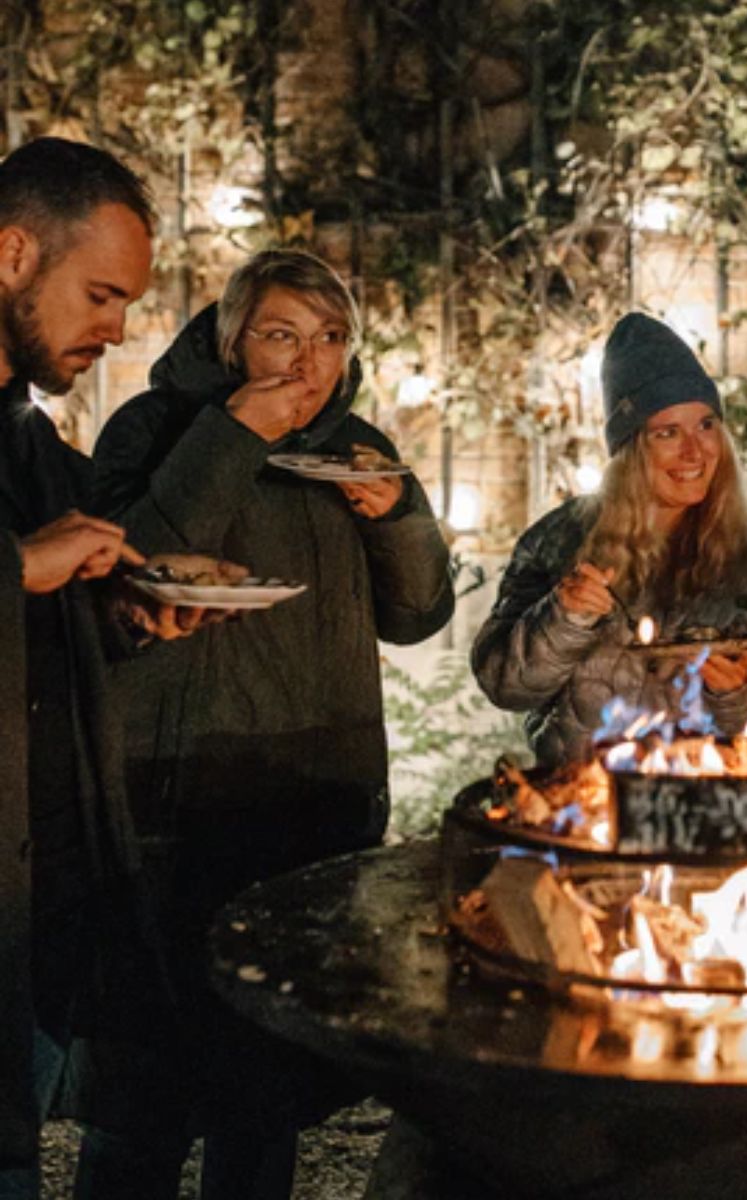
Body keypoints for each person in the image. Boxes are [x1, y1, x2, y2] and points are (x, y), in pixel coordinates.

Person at [72, 249, 455, 1200]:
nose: (308, 362)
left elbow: (419, 616)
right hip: (175, 793)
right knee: (143, 1093)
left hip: (307, 798)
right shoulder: (153, 426)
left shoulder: (355, 447)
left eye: (330, 339)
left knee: (262, 1094)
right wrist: (234, 433)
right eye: (282, 335)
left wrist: (398, 513)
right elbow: (127, 573)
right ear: (232, 338)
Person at [0, 136, 216, 1199]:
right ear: (12, 256)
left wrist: (131, 607)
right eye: (100, 294)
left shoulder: (28, 443)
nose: (119, 329)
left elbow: (42, 629)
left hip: (38, 919)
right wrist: (17, 566)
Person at [472, 312, 747, 767]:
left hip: (706, 797)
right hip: (586, 794)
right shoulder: (559, 541)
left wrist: (734, 695)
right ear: (630, 449)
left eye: (706, 425)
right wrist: (564, 619)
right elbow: (505, 687)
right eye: (668, 433)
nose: (695, 451)